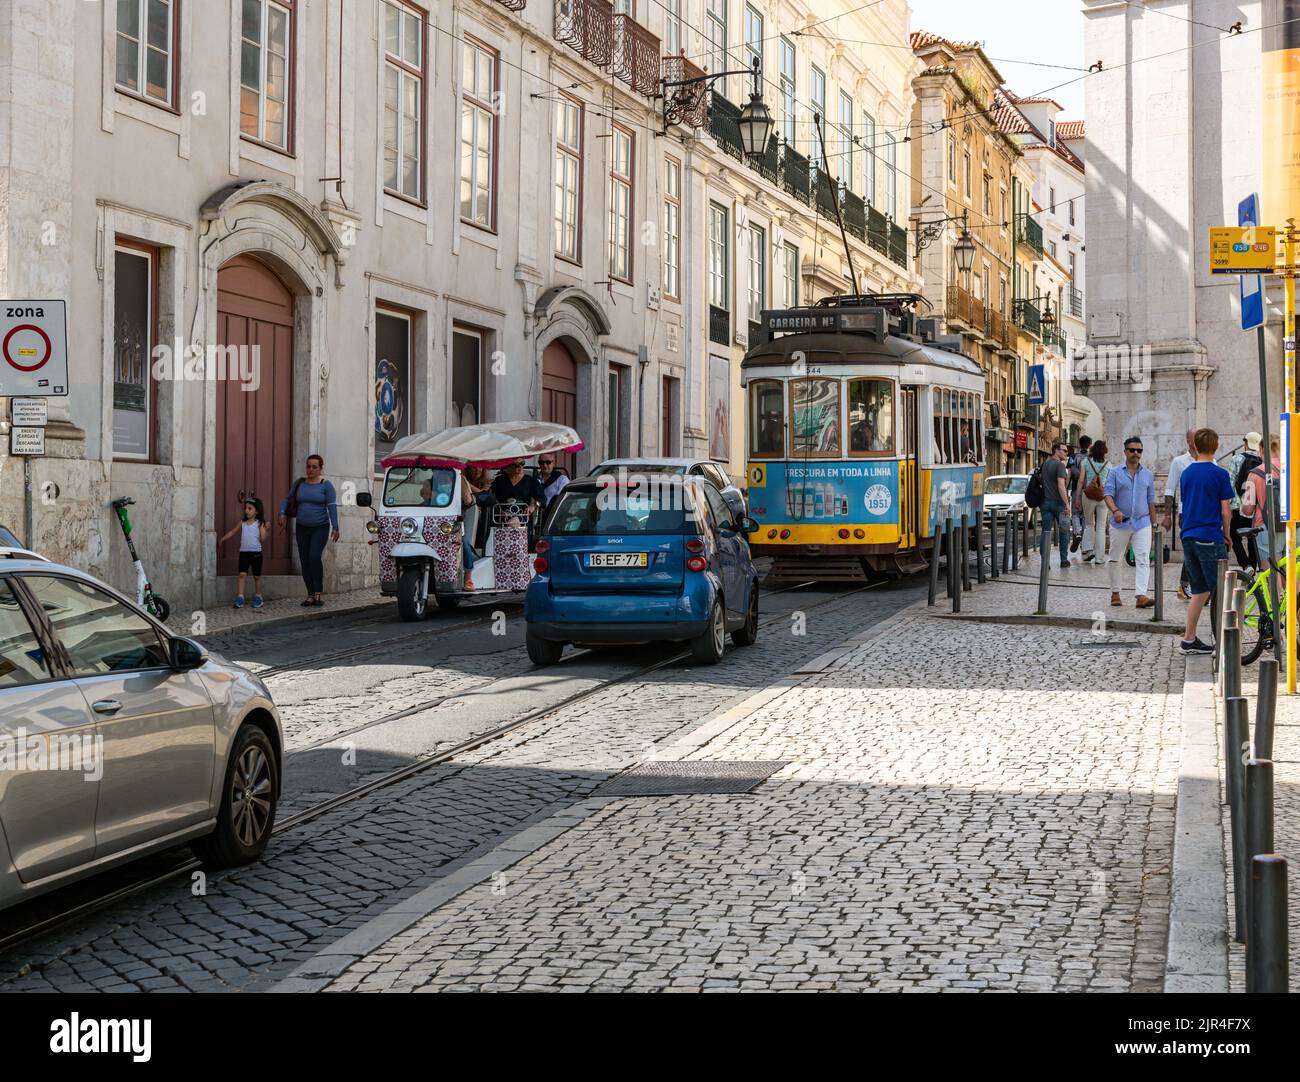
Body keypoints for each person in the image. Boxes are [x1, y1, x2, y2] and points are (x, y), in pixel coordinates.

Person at [1177, 428, 1235, 655]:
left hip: (1188, 535)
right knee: (1220, 590)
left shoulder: (1187, 472)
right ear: (1216, 446)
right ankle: (1222, 644)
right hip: (1210, 536)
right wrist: (1227, 535)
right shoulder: (1220, 474)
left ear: (1196, 446)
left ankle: (1188, 640)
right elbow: (1226, 512)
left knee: (1200, 590)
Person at [1103, 436, 1158, 608]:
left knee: (1143, 559)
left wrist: (1154, 525)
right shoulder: (1115, 472)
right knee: (1115, 558)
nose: (1136, 453)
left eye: (1139, 450)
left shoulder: (1148, 475)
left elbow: (1151, 502)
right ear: (1125, 451)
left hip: (1142, 523)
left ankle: (1141, 596)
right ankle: (1115, 593)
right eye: (1132, 450)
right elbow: (1108, 495)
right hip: (1120, 522)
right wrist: (1115, 510)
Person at [278, 453, 339, 607]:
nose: (310, 469)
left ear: (320, 469)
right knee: (304, 560)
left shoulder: (326, 486)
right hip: (301, 527)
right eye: (308, 466)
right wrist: (282, 512)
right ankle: (310, 595)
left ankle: (318, 593)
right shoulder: (300, 483)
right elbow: (287, 498)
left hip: (320, 527)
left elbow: (331, 506)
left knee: (313, 556)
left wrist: (336, 526)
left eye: (314, 467)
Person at [1163, 429, 1197, 600]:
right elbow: (1170, 489)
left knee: (1200, 550)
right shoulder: (1179, 462)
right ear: (1188, 440)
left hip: (1205, 513)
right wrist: (1168, 514)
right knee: (1191, 550)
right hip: (1187, 512)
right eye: (1195, 436)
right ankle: (1184, 585)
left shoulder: (1210, 460)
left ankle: (1193, 586)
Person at [219, 497, 267, 610]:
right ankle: (240, 597)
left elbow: (263, 539)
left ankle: (258, 597)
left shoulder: (260, 523)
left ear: (257, 511)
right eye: (245, 508)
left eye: (250, 508)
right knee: (242, 574)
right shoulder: (243, 522)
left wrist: (265, 529)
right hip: (244, 553)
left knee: (257, 576)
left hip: (256, 553)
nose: (246, 510)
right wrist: (223, 539)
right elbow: (232, 532)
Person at [1241, 434, 1282, 567]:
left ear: (1262, 449)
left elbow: (1247, 510)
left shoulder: (1255, 473)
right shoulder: (1294, 468)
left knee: (1271, 576)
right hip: (1294, 528)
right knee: (1293, 576)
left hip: (1266, 527)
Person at [1228, 432, 1264, 568]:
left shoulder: (1237, 459)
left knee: (1235, 535)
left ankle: (1246, 566)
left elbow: (1230, 483)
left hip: (1241, 507)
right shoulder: (1263, 460)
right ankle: (1253, 570)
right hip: (1257, 508)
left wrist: (1235, 506)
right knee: (1252, 539)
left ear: (1246, 443)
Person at [1040, 441, 1072, 568]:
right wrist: (1067, 504)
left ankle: (1045, 562)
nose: (1066, 453)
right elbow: (1061, 486)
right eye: (1064, 450)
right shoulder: (1059, 466)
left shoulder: (1045, 464)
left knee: (1046, 532)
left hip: (1045, 503)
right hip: (1059, 504)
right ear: (1056, 451)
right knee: (1064, 532)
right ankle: (1064, 560)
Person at [1079, 440, 1110, 565]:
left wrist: (1077, 497)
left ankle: (1087, 552)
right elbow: (1110, 483)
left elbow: (1081, 481)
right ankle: (1099, 558)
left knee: (1089, 524)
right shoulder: (1109, 464)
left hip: (1088, 495)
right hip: (1103, 497)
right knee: (1101, 527)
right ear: (1104, 451)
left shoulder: (1085, 462)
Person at [1068, 435, 1093, 552]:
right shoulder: (1092, 458)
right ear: (1090, 445)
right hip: (1089, 490)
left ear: (1079, 444)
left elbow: (1069, 474)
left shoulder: (1073, 457)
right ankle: (1083, 540)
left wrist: (1065, 487)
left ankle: (1077, 533)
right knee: (1086, 516)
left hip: (1075, 489)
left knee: (1075, 513)